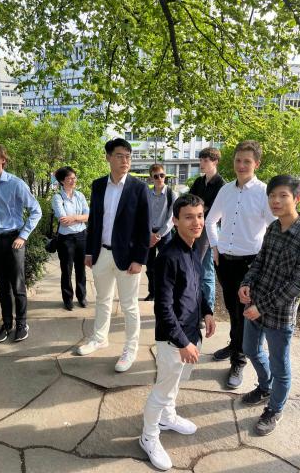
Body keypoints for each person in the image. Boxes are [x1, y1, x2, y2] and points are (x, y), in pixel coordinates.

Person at [239, 175, 300, 436]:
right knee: (250, 349)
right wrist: (246, 282)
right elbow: (260, 261)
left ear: (297, 198)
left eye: (283, 195)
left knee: (280, 364)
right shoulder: (274, 227)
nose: (275, 201)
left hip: (279, 313)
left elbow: (297, 285)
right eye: (272, 196)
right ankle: (265, 387)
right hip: (255, 303)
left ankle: (275, 408)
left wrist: (260, 307)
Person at [140, 194, 216, 471]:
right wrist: (183, 342)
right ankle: (148, 436)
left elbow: (195, 289)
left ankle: (167, 417)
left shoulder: (194, 249)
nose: (196, 222)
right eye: (189, 217)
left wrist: (207, 311)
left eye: (199, 216)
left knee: (175, 385)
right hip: (174, 339)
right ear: (175, 221)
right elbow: (163, 307)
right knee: (162, 389)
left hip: (190, 333)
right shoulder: (168, 257)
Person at [76, 138, 151, 373]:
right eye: (120, 155)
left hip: (128, 258)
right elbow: (95, 221)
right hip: (101, 254)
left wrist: (140, 259)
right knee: (102, 300)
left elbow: (144, 226)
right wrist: (89, 251)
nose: (125, 160)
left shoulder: (139, 188)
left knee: (129, 306)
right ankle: (100, 338)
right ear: (108, 157)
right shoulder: (98, 185)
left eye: (128, 156)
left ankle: (130, 348)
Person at [205, 140, 275, 389]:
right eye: (238, 160)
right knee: (233, 311)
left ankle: (239, 361)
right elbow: (210, 220)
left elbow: (273, 230)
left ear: (256, 163)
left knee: (244, 315)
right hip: (225, 262)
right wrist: (214, 247)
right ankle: (235, 345)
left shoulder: (264, 193)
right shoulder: (225, 190)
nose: (241, 165)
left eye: (247, 161)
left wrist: (264, 262)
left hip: (250, 265)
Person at [0, 142, 42, 342]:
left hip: (14, 239)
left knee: (18, 285)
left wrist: (23, 235)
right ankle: (6, 324)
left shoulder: (16, 184)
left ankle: (21, 324)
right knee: (2, 286)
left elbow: (36, 210)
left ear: (3, 159)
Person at [189, 147, 226, 310]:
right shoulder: (199, 181)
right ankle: (195, 306)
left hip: (210, 233)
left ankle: (208, 310)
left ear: (215, 161)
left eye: (205, 160)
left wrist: (201, 209)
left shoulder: (221, 184)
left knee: (206, 272)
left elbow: (215, 212)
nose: (201, 164)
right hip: (195, 230)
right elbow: (190, 201)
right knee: (194, 268)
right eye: (200, 160)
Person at [52, 166, 89, 311]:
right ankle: (67, 299)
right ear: (62, 181)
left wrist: (73, 218)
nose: (74, 180)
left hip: (81, 236)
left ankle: (82, 297)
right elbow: (63, 220)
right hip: (66, 239)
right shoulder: (57, 197)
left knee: (81, 269)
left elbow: (88, 215)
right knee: (66, 270)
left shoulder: (80, 195)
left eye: (74, 177)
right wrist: (80, 218)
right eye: (70, 178)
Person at [144, 163, 177, 301]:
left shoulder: (171, 193)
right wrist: (150, 233)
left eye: (162, 175)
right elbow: (143, 215)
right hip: (149, 233)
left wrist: (158, 235)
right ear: (151, 178)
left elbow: (171, 218)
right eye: (156, 176)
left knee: (166, 265)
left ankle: (166, 293)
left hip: (164, 235)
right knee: (150, 266)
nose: (159, 178)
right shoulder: (147, 194)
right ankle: (152, 292)